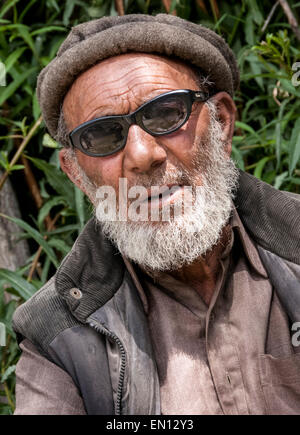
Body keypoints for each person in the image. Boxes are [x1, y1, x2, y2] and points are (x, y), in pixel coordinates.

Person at [13, 13, 300, 415]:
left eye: (166, 114)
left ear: (221, 123)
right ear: (76, 173)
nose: (143, 156)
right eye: (102, 136)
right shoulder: (56, 335)